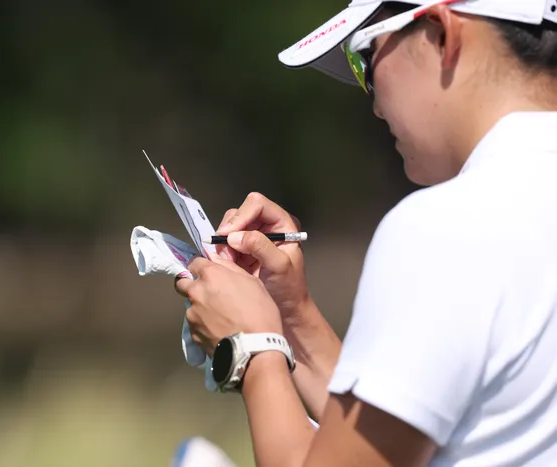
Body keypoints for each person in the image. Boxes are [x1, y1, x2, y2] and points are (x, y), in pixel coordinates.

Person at [174, 0, 557, 465]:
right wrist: (291, 317)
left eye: (365, 59)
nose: (373, 104)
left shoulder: (446, 228)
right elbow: (393, 431)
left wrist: (251, 347)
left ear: (442, 33)